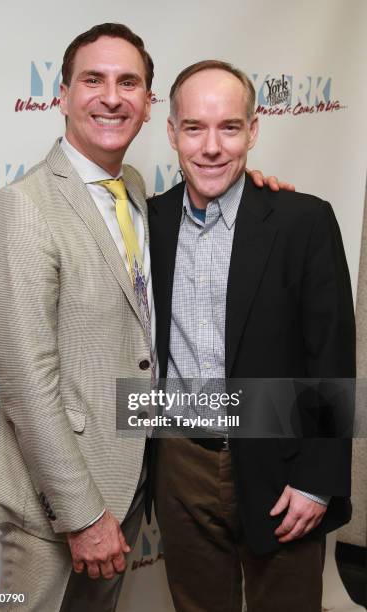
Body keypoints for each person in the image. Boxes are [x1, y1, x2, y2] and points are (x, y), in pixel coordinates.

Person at [0, 24, 287, 612]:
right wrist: (84, 514)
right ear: (62, 94)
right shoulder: (21, 209)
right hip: (58, 509)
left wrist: (257, 195)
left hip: (131, 486)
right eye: (93, 80)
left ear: (149, 106)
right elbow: (25, 387)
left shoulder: (137, 192)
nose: (112, 96)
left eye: (129, 83)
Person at [148, 60, 355, 612]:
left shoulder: (303, 220)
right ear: (171, 132)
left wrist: (318, 479)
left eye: (229, 128)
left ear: (253, 130)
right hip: (179, 463)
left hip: (280, 460)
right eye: (194, 128)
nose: (212, 147)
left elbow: (332, 353)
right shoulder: (147, 223)